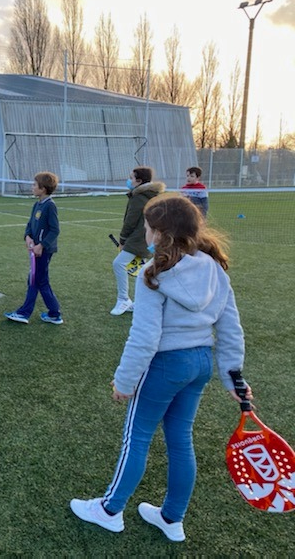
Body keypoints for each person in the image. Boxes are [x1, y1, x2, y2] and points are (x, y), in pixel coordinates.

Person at [70, 195, 248, 543]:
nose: (145, 233)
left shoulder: (154, 274)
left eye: (148, 227)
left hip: (166, 365)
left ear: (159, 234)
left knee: (136, 438)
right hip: (199, 364)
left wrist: (125, 381)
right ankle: (172, 518)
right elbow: (230, 325)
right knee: (181, 440)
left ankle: (109, 510)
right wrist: (233, 376)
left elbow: (144, 337)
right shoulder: (213, 267)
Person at [5, 172, 63, 325]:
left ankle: (26, 313)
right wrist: (28, 236)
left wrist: (42, 245)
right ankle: (53, 313)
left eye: (34, 185)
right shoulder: (37, 204)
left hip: (44, 251)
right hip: (35, 250)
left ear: (43, 189)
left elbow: (55, 230)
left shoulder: (50, 206)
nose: (32, 187)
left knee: (37, 280)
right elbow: (30, 224)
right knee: (37, 280)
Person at [111, 166, 164, 316]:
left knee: (118, 264)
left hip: (138, 239)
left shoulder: (138, 197)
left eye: (131, 178)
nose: (129, 180)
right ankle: (142, 301)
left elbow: (130, 221)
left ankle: (123, 299)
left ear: (139, 181)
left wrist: (122, 239)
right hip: (150, 238)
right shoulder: (154, 195)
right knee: (149, 270)